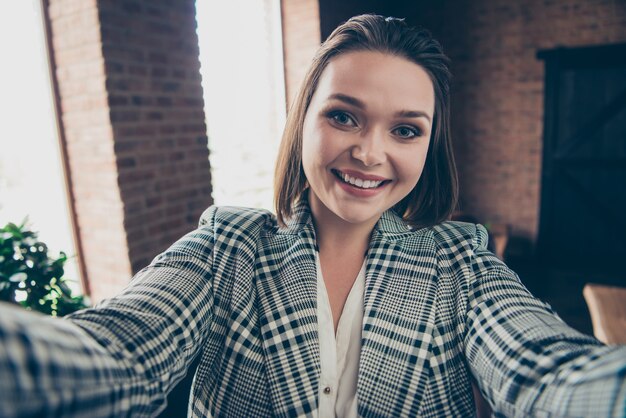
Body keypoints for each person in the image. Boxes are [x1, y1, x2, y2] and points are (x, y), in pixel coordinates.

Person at [0, 14, 625, 418]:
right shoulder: (227, 247)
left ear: (428, 148)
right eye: (344, 116)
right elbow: (121, 354)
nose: (370, 152)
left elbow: (546, 373)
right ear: (304, 121)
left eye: (405, 129)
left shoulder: (461, 262)